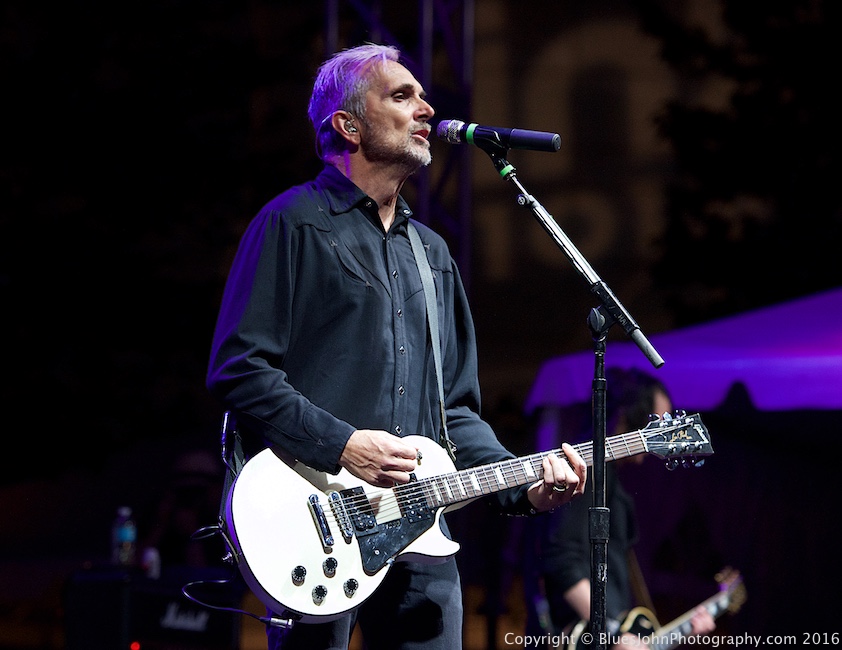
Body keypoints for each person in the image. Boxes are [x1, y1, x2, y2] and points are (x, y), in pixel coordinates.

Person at [205, 43, 588, 650]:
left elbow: (455, 413)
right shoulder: (292, 224)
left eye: (423, 96)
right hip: (316, 524)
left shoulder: (432, 254)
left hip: (421, 541)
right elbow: (239, 371)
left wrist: (526, 486)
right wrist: (344, 445)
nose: (426, 109)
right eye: (402, 96)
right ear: (348, 124)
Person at [524, 368, 716, 649]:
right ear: (633, 417)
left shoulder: (612, 480)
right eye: (657, 424)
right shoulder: (588, 471)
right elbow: (560, 558)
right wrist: (611, 633)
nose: (662, 438)